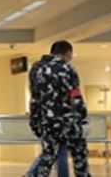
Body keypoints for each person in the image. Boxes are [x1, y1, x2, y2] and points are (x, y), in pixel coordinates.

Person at [27, 41, 90, 177]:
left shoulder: (40, 71)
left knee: (48, 156)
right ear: (68, 53)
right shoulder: (67, 69)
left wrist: (34, 122)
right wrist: (83, 120)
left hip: (49, 123)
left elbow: (35, 99)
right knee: (79, 158)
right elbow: (75, 96)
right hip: (69, 122)